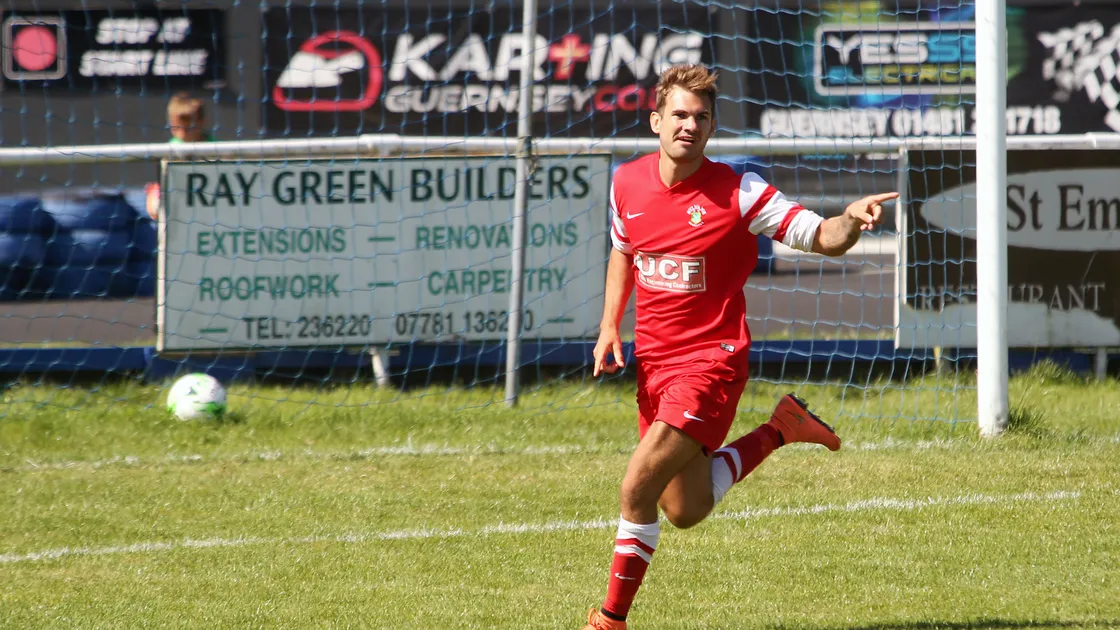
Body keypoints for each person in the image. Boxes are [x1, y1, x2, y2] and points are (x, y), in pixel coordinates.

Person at [581, 64, 898, 630]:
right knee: (685, 509)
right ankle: (783, 426)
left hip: (711, 364)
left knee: (636, 486)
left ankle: (609, 621)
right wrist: (610, 324)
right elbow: (623, 251)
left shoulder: (740, 191)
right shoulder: (626, 182)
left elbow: (818, 237)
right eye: (679, 115)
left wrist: (849, 220)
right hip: (655, 364)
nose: (689, 126)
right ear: (656, 121)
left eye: (701, 118)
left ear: (711, 128)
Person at [145, 92, 214, 219]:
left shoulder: (218, 149)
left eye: (188, 128)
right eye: (176, 128)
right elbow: (155, 204)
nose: (182, 134)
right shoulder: (168, 151)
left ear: (202, 123)